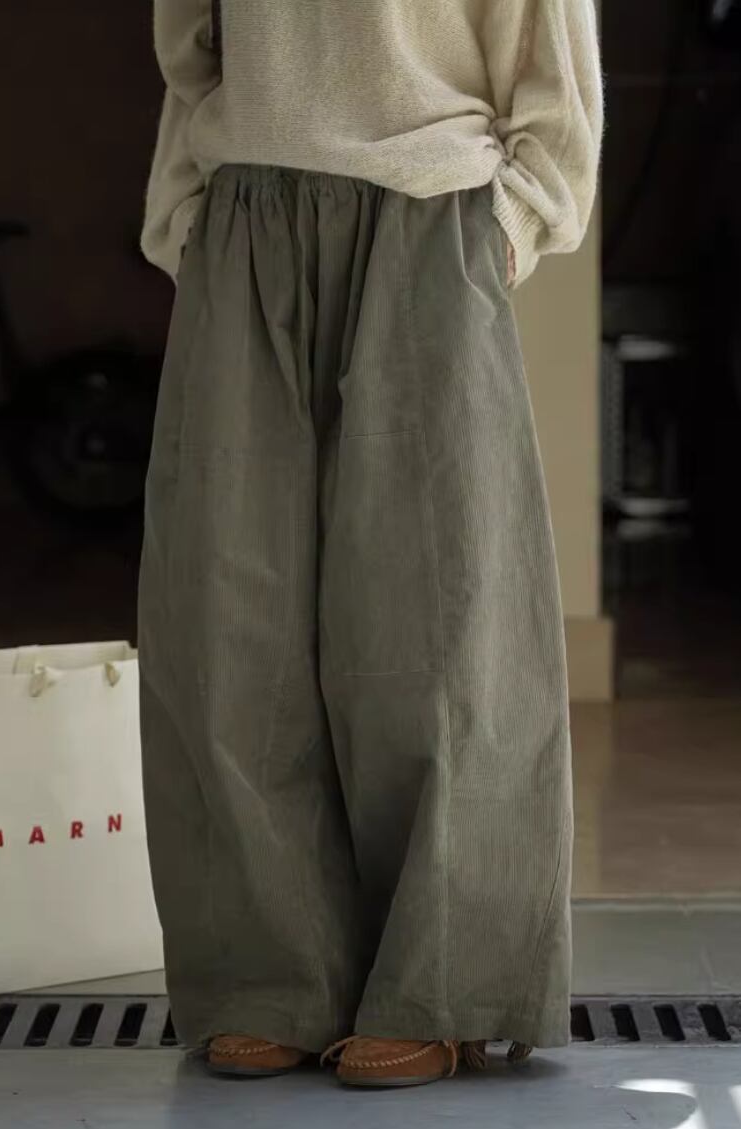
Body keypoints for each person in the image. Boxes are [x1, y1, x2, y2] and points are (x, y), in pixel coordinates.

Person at [136, 0, 604, 1089]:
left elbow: (551, 64)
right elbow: (191, 44)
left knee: (440, 624)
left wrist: (511, 219)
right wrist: (190, 215)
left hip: (431, 212)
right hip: (247, 213)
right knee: (226, 619)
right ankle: (268, 980)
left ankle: (444, 988)